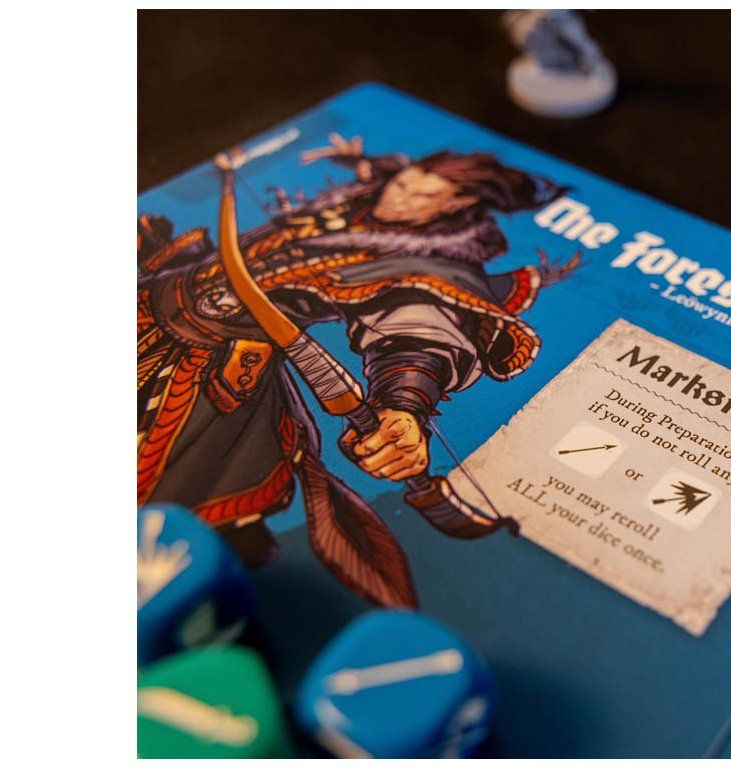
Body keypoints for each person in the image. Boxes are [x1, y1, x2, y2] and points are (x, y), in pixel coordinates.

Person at [137, 133, 578, 604]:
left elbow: (417, 332)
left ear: (458, 204)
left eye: (421, 195)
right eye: (402, 184)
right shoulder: (355, 202)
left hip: (208, 372)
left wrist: (403, 407)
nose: (398, 197)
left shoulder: (424, 265)